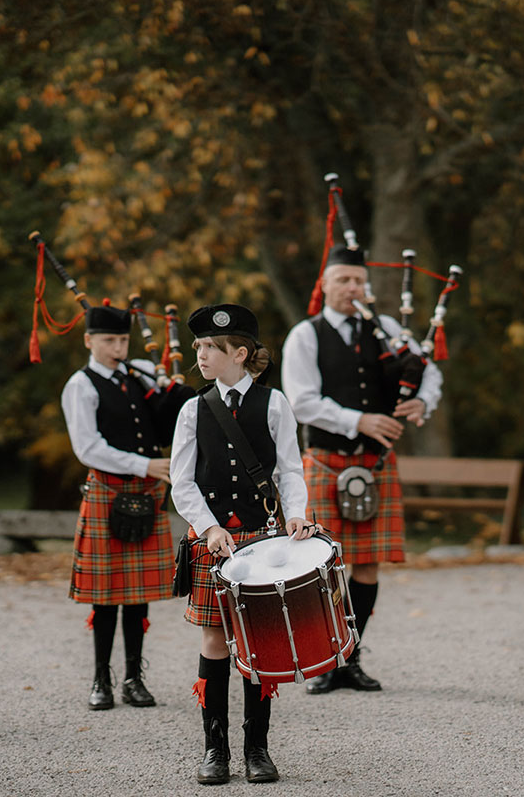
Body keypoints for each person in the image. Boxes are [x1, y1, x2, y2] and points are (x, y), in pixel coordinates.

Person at [281, 243, 442, 694]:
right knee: (320, 566)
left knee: (367, 565)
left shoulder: (386, 328)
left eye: (359, 281)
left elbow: (427, 369)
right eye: (344, 280)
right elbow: (302, 401)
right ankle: (323, 661)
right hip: (326, 460)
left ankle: (351, 657)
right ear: (325, 285)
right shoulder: (306, 335)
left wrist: (422, 400)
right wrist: (360, 419)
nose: (353, 288)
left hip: (375, 464)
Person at [170, 303, 314, 784]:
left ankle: (257, 750)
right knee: (214, 639)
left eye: (211, 347)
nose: (202, 355)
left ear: (241, 353)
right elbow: (181, 482)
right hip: (215, 541)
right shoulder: (193, 408)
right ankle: (216, 751)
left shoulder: (274, 404)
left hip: (263, 537)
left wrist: (296, 514)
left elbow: (291, 470)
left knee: (260, 643)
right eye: (200, 347)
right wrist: (209, 527)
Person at [61, 302, 192, 711]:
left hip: (146, 493)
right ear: (89, 341)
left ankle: (134, 677)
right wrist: (144, 464)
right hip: (109, 491)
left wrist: (171, 391)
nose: (118, 347)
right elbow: (88, 448)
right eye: (109, 340)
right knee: (105, 595)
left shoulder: (138, 375)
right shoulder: (80, 385)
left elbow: (165, 415)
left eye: (122, 339)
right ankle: (101, 677)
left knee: (138, 596)